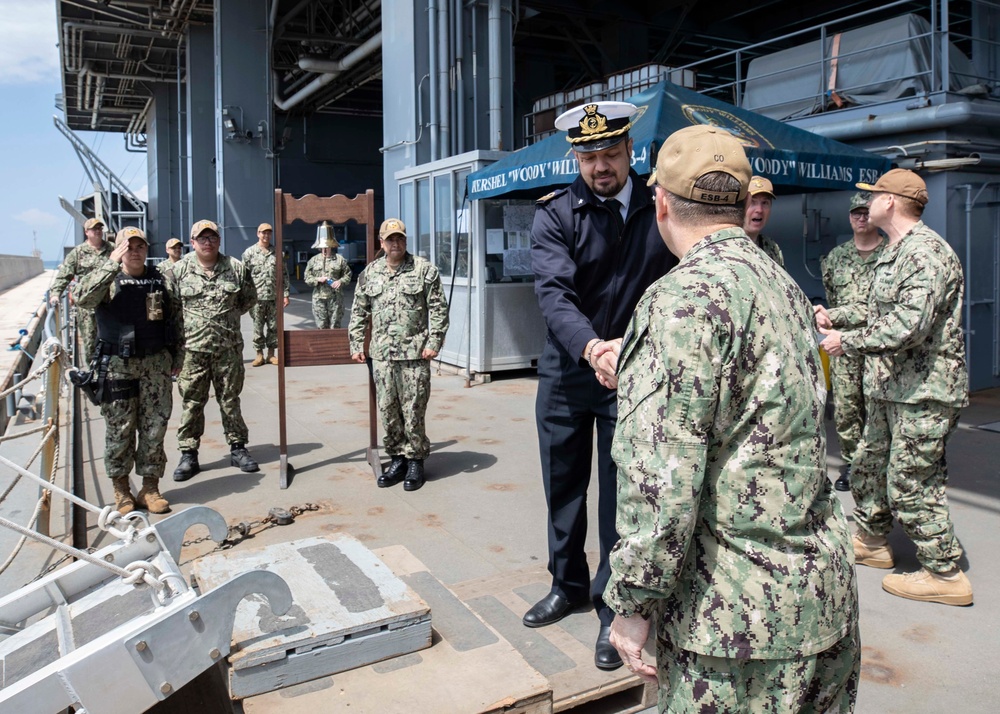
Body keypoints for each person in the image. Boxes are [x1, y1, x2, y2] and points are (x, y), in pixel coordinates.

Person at [606, 125, 859, 711]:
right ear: (746, 204)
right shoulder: (785, 286)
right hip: (821, 597)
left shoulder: (677, 301)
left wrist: (632, 605)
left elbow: (661, 483)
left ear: (661, 202)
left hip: (732, 627)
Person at [525, 101, 678, 671]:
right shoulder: (556, 214)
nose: (600, 166)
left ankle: (612, 609)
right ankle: (566, 584)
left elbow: (675, 277)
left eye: (610, 153)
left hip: (633, 372)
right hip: (570, 369)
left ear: (630, 152)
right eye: (589, 156)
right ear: (576, 157)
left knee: (622, 498)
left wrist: (627, 349)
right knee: (563, 485)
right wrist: (592, 347)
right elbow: (553, 294)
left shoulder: (657, 206)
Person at [818, 169, 972, 606]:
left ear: (893, 201)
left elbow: (909, 326)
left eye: (875, 195)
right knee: (869, 464)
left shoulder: (925, 254)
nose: (868, 203)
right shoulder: (896, 251)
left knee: (911, 480)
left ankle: (944, 571)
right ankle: (872, 540)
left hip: (925, 391)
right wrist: (836, 316)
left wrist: (846, 341)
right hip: (893, 386)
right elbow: (874, 306)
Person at [72, 227, 178, 516]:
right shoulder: (107, 279)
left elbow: (176, 318)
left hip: (155, 364)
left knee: (155, 427)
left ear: (146, 248)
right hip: (118, 365)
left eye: (139, 245)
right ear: (117, 249)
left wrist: (177, 355)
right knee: (120, 429)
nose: (134, 250)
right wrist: (109, 264)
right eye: (127, 246)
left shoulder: (162, 278)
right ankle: (121, 489)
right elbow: (81, 298)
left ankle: (150, 487)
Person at [348, 218, 449, 492]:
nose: (396, 243)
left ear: (405, 240)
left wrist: (434, 342)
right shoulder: (369, 273)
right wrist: (356, 344)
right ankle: (397, 458)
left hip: (415, 355)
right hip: (381, 356)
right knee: (388, 410)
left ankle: (416, 460)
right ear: (382, 243)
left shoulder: (424, 270)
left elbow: (439, 309)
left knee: (413, 409)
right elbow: (359, 311)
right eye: (390, 239)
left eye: (400, 238)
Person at [167, 219, 260, 480]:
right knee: (192, 403)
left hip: (227, 350)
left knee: (230, 401)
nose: (208, 242)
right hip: (192, 352)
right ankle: (189, 454)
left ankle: (238, 448)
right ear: (193, 242)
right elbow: (171, 309)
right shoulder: (178, 271)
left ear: (219, 240)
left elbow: (247, 300)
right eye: (202, 238)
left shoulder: (236, 268)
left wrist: (224, 322)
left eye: (213, 237)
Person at [819, 192, 883, 492]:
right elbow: (833, 297)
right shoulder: (835, 258)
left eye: (866, 212)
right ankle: (852, 465)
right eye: (856, 213)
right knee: (846, 409)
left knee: (877, 408)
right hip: (843, 348)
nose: (861, 218)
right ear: (849, 216)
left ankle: (876, 466)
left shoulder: (891, 254)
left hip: (880, 347)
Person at [49, 217, 114, 364]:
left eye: (100, 228)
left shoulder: (112, 249)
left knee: (114, 338)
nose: (98, 231)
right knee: (90, 341)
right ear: (86, 232)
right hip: (88, 306)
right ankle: (93, 374)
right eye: (94, 229)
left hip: (110, 302)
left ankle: (112, 372)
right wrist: (55, 294)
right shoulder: (78, 253)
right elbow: (64, 275)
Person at [242, 222, 290, 366]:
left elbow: (284, 275)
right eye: (263, 232)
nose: (266, 235)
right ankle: (259, 355)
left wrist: (285, 294)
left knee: (274, 326)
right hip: (256, 298)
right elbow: (244, 276)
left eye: (269, 233)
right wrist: (245, 295)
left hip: (273, 297)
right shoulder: (249, 253)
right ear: (258, 234)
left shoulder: (278, 253)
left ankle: (271, 354)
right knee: (257, 326)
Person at [304, 232, 352, 328]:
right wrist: (318, 279)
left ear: (331, 246)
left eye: (327, 246)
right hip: (319, 299)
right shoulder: (313, 260)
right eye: (323, 247)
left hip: (335, 299)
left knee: (335, 326)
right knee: (321, 327)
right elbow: (307, 277)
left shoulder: (339, 259)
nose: (325, 249)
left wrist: (340, 281)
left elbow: (348, 275)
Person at [743, 175, 784, 267]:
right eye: (752, 202)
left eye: (765, 203)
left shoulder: (772, 247)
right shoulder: (725, 246)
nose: (760, 210)